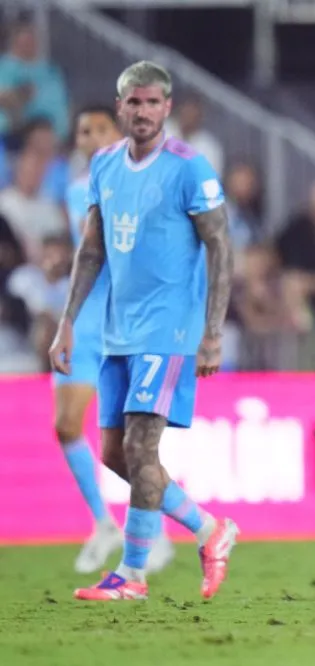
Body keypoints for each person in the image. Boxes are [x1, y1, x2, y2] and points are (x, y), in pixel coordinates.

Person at [49, 61, 239, 601]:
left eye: (154, 102)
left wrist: (212, 332)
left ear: (168, 108)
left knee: (139, 443)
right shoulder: (105, 168)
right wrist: (67, 323)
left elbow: (221, 247)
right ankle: (210, 530)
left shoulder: (189, 168)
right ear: (121, 107)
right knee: (114, 453)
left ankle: (131, 576)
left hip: (169, 329)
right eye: (135, 102)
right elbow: (92, 249)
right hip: (117, 330)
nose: (144, 111)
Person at [56, 104, 176, 575]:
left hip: (117, 323)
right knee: (65, 426)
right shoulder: (72, 191)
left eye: (99, 128)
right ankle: (104, 523)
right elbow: (87, 252)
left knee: (128, 444)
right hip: (81, 321)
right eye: (84, 130)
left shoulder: (134, 185)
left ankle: (158, 530)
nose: (90, 136)